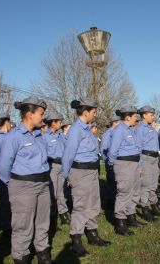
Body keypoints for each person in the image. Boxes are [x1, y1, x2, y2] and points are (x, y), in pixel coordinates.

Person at [0, 97, 51, 263]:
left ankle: (43, 253)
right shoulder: (13, 137)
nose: (43, 117)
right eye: (41, 114)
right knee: (23, 226)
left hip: (43, 184)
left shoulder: (39, 136)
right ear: (29, 114)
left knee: (43, 222)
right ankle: (21, 257)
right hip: (23, 185)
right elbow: (4, 167)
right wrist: (15, 185)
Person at [61, 98, 111, 257]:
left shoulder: (88, 130)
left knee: (93, 204)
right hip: (80, 172)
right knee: (81, 206)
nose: (95, 114)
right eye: (94, 112)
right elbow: (68, 154)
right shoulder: (76, 130)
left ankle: (92, 235)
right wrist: (67, 175)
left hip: (91, 172)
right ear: (85, 112)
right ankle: (76, 240)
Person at [108, 106, 145, 236]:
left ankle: (131, 217)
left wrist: (139, 166)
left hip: (134, 164)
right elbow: (113, 151)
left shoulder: (131, 130)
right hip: (123, 164)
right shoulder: (119, 130)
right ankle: (120, 223)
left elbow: (136, 149)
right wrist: (114, 165)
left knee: (134, 191)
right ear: (128, 117)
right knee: (124, 192)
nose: (137, 118)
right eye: (135, 116)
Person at [136, 105, 160, 222]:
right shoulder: (140, 129)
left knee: (153, 183)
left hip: (153, 158)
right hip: (145, 157)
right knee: (146, 185)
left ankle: (155, 206)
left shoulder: (150, 128)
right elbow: (138, 147)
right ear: (144, 115)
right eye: (151, 115)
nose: (153, 117)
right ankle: (145, 208)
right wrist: (140, 166)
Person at [42, 112, 70, 226]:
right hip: (51, 166)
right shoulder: (44, 137)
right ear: (53, 122)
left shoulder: (60, 136)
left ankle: (63, 214)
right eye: (59, 122)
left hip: (61, 165)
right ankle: (52, 217)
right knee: (52, 193)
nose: (61, 124)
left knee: (61, 191)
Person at [100, 115, 121, 204]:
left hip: (119, 161)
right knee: (111, 182)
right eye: (119, 122)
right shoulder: (108, 134)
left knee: (117, 182)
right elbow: (103, 149)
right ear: (115, 123)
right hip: (110, 161)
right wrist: (108, 162)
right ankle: (109, 201)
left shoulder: (118, 132)